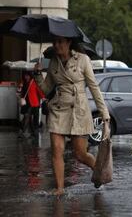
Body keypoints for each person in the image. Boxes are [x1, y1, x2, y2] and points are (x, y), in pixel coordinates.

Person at [33, 36, 111, 196]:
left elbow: (94, 87)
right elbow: (47, 89)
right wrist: (37, 75)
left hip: (78, 110)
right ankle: (60, 189)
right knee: (57, 150)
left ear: (68, 43)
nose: (56, 45)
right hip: (58, 109)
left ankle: (99, 172)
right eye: (54, 42)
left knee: (80, 154)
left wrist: (104, 112)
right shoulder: (54, 61)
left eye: (60, 41)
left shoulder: (82, 59)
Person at [19, 72, 45, 138]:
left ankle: (25, 132)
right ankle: (30, 133)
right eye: (25, 76)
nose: (26, 77)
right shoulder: (23, 83)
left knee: (31, 118)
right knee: (27, 118)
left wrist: (43, 97)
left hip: (34, 103)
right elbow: (20, 93)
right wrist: (20, 87)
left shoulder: (33, 82)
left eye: (27, 76)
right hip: (26, 103)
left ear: (30, 76)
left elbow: (39, 91)